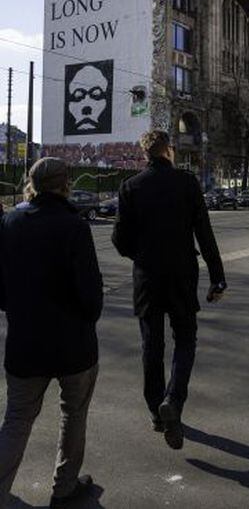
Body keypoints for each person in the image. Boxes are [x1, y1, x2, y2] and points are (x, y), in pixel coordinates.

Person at [112, 130, 226, 450]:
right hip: (182, 276)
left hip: (147, 278)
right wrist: (218, 278)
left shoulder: (130, 187)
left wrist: (143, 255)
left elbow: (119, 240)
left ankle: (156, 412)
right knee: (186, 339)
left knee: (152, 344)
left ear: (145, 154)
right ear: (169, 151)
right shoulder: (187, 183)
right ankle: (173, 401)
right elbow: (204, 233)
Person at [0, 157, 103, 508]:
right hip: (74, 343)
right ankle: (64, 487)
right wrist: (86, 316)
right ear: (65, 185)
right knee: (73, 414)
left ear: (31, 184)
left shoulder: (10, 221)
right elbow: (90, 292)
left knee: (16, 419)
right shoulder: (74, 225)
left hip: (25, 342)